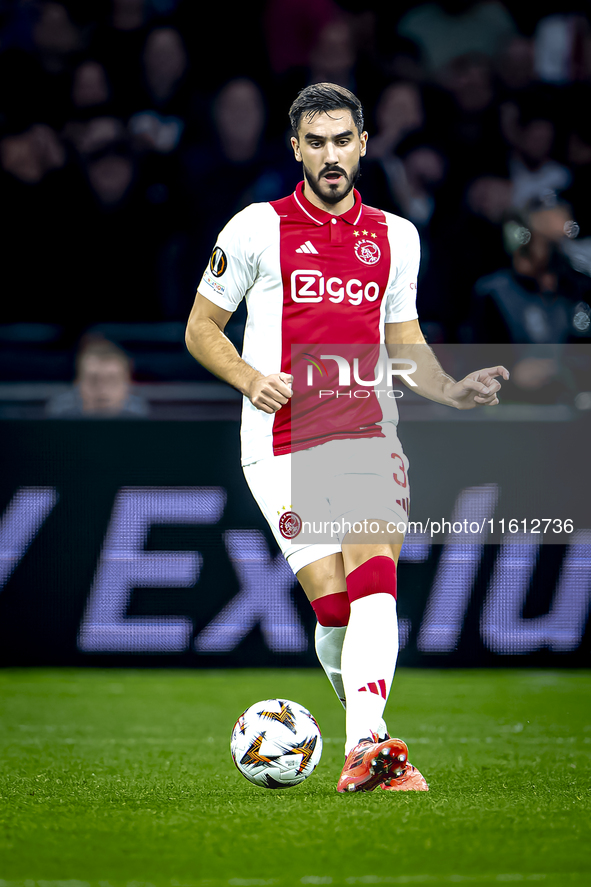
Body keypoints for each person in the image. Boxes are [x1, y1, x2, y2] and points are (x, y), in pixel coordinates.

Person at [185, 82, 508, 793]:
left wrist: (450, 389)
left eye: (342, 140)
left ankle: (366, 745)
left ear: (362, 144)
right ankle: (369, 732)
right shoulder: (253, 228)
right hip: (277, 440)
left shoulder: (397, 237)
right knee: (334, 608)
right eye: (316, 142)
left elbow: (405, 343)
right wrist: (246, 376)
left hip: (365, 434)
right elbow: (200, 328)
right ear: (295, 147)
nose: (330, 156)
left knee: (373, 575)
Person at [46, 336, 149, 418]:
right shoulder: (59, 417)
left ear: (127, 384)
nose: (102, 389)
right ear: (77, 382)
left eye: (112, 380)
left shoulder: (140, 417)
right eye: (93, 379)